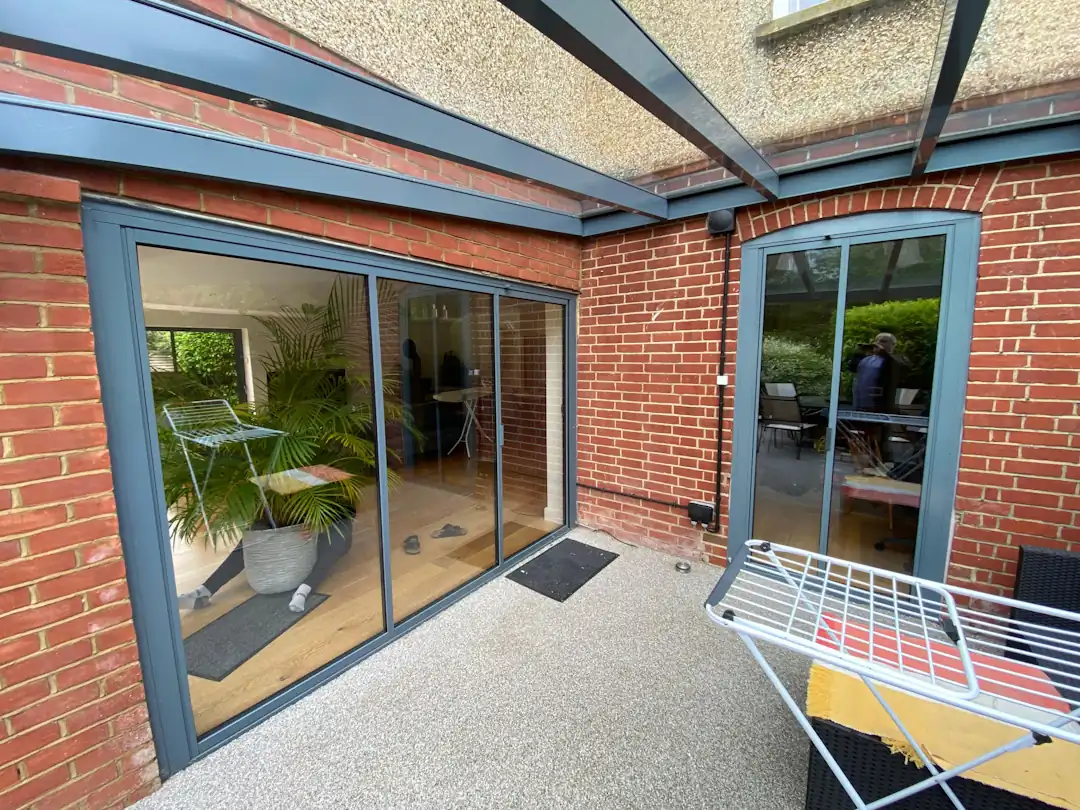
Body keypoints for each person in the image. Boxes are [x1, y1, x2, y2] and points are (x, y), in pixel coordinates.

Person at [177, 522, 352, 613]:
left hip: (324, 516)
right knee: (255, 537)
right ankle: (205, 590)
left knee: (339, 540)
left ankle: (305, 589)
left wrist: (318, 522)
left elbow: (347, 507)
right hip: (295, 518)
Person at [850, 332, 898, 412]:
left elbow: (894, 368)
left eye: (883, 341)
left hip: (879, 406)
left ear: (893, 344)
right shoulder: (866, 359)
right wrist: (859, 352)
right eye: (876, 341)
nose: (878, 343)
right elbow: (851, 368)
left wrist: (884, 353)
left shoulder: (894, 360)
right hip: (860, 403)